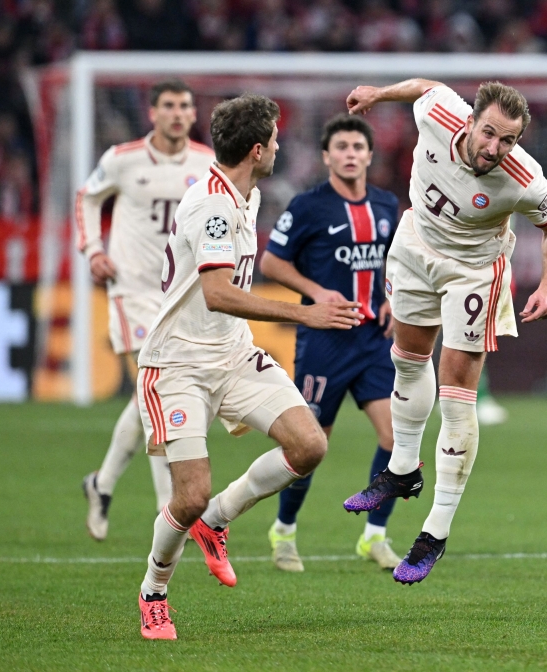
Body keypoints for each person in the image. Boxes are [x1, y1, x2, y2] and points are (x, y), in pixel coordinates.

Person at [135, 93, 363, 640]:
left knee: (309, 446)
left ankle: (218, 520)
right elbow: (216, 293)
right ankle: (154, 591)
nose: (281, 146)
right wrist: (303, 314)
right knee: (187, 495)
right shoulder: (212, 205)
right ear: (257, 149)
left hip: (232, 353)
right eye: (276, 139)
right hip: (179, 364)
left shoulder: (248, 194)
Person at [342, 79, 547, 584]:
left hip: (473, 271)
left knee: (457, 394)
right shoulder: (438, 112)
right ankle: (402, 469)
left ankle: (435, 532)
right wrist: (379, 94)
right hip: (416, 244)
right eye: (488, 132)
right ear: (469, 121)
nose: (494, 148)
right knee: (405, 358)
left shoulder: (524, 178)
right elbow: (427, 85)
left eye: (507, 140)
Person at [260, 114, 403, 572]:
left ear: (369, 155)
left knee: (396, 438)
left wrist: (391, 298)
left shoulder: (385, 205)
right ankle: (284, 531)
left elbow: (395, 263)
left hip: (373, 341)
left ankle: (374, 536)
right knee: (311, 446)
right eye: (340, 147)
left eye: (357, 147)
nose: (350, 154)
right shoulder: (308, 206)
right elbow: (271, 262)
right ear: (326, 156)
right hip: (324, 342)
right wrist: (317, 293)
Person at [78, 79, 214, 541]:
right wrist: (93, 249)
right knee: (158, 389)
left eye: (185, 106)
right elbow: (87, 197)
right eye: (169, 106)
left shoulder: (206, 163)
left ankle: (102, 484)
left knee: (147, 398)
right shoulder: (122, 158)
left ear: (194, 115)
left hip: (179, 295)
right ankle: (166, 504)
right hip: (132, 288)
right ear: (153, 113)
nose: (178, 113)